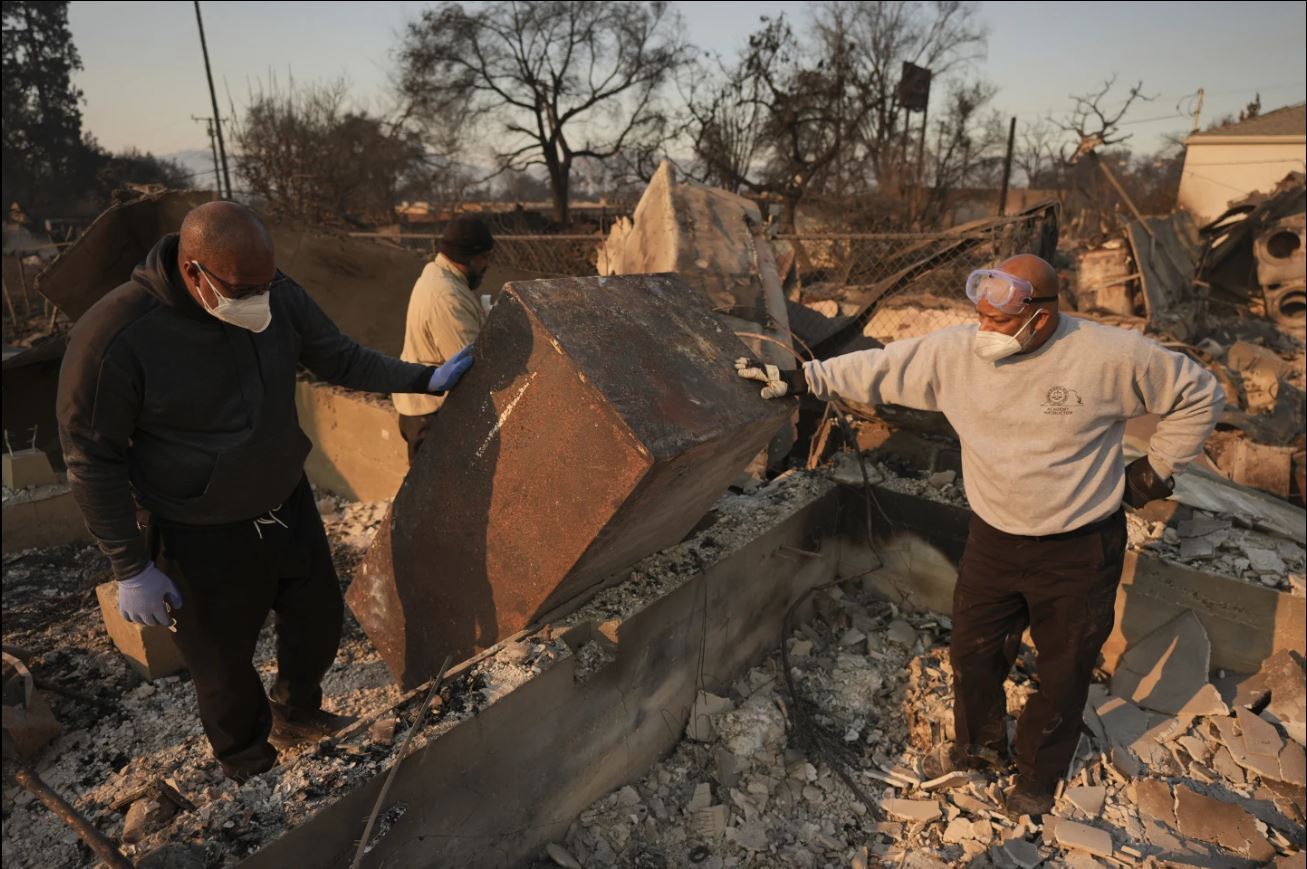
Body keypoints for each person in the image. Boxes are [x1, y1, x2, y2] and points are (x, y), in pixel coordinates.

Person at [736, 254, 1223, 815]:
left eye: (995, 322)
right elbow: (879, 367)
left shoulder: (1111, 357)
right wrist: (801, 380)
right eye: (979, 316)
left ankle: (1037, 777)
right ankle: (978, 751)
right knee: (973, 653)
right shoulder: (956, 353)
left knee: (1063, 671)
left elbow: (1200, 394)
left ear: (1038, 319)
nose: (982, 331)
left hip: (1079, 547)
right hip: (994, 538)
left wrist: (1154, 471)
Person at [57, 201, 475, 782]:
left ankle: (296, 710)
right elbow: (91, 459)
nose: (260, 297)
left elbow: (337, 356)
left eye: (267, 282)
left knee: (319, 621)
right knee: (224, 669)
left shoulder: (274, 294)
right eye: (243, 287)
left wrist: (421, 378)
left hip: (284, 501)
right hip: (200, 530)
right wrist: (130, 565)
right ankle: (252, 772)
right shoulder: (115, 337)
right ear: (194, 271)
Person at [393, 214, 495, 463]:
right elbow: (472, 367)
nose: (486, 265)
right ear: (468, 258)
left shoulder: (438, 273)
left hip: (425, 408)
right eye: (484, 258)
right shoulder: (448, 297)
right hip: (431, 416)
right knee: (437, 499)